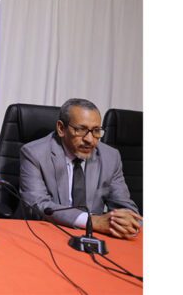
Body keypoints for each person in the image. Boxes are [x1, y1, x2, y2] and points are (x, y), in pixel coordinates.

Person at [20, 98, 142, 239]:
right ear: (61, 128)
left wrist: (127, 220)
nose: (90, 139)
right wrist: (92, 221)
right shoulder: (34, 154)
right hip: (46, 234)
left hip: (92, 237)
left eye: (96, 131)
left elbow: (125, 207)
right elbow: (38, 205)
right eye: (81, 129)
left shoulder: (110, 157)